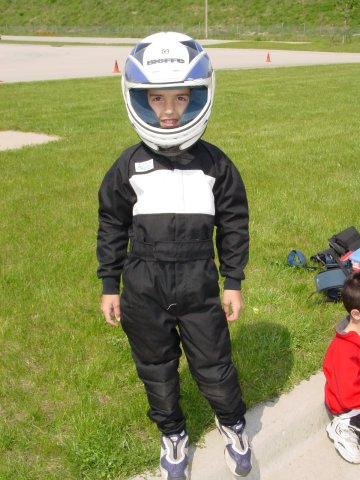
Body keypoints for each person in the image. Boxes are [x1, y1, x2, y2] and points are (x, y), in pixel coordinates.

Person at [97, 32, 252, 479]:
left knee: (214, 365)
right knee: (156, 369)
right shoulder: (129, 167)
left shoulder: (215, 166)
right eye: (157, 99)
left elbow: (234, 224)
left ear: (200, 96)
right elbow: (111, 224)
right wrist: (110, 285)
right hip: (143, 287)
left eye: (181, 98)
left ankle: (233, 423)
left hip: (199, 284)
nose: (169, 111)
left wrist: (233, 280)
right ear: (139, 100)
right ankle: (173, 434)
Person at [323, 271, 360, 464]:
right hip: (348, 407)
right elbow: (348, 395)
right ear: (356, 314)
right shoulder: (345, 351)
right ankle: (342, 428)